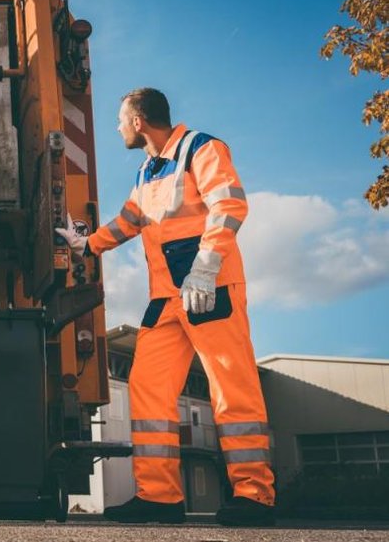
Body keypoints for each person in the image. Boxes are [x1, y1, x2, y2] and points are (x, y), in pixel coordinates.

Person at [56, 88, 275, 527]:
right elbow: (130, 221)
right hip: (168, 300)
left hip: (210, 290)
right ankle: (159, 497)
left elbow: (229, 205)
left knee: (231, 388)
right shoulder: (147, 173)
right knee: (147, 385)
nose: (118, 128)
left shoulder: (202, 148)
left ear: (138, 122)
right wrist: (87, 245)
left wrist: (206, 269)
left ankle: (255, 495)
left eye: (120, 121)